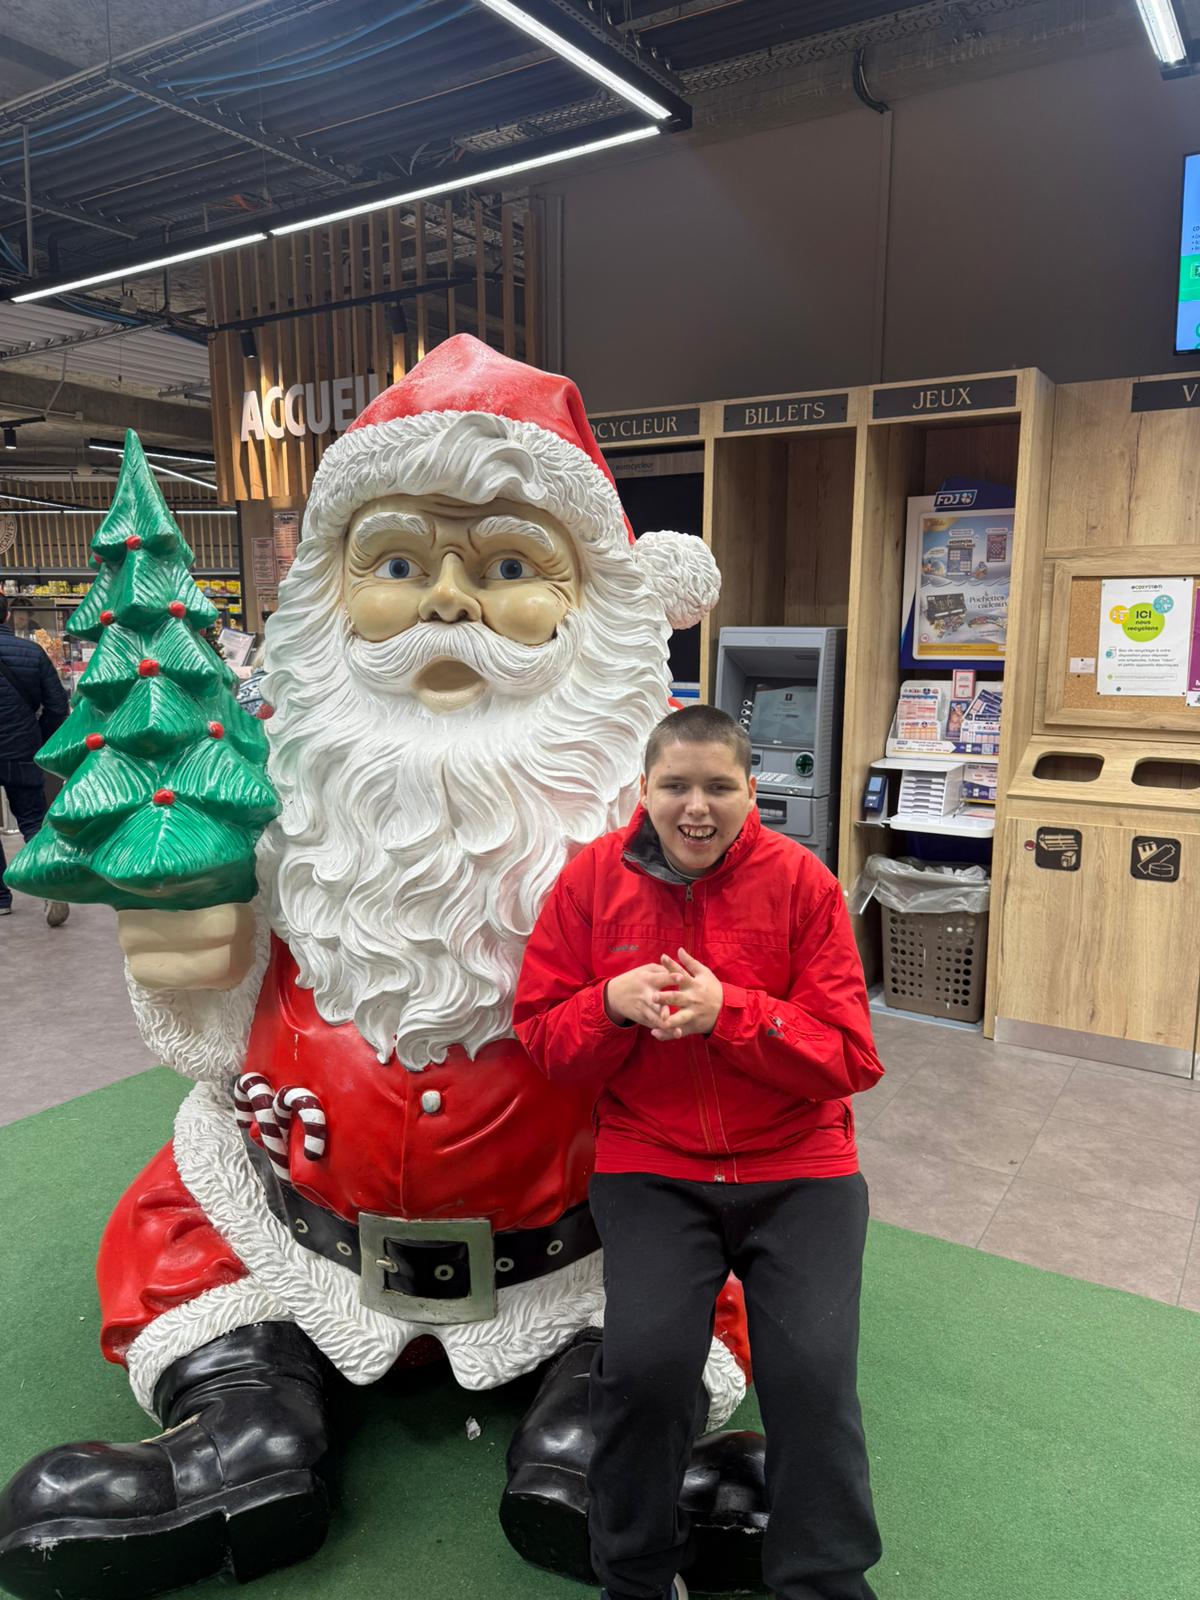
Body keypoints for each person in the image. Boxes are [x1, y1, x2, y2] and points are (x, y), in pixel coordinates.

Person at [0, 336, 768, 1600]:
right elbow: (208, 1037)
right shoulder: (285, 819)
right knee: (196, 1222)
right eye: (399, 564)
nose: (448, 605)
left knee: (678, 1262)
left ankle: (596, 1431)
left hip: (575, 1247)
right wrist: (186, 957)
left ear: (597, 608)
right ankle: (245, 1418)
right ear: (332, 598)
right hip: (296, 1223)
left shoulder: (674, 846)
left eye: (509, 566)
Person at [513, 703, 886, 1600]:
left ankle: (824, 1585)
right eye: (676, 785)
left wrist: (733, 1013)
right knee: (644, 1373)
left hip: (799, 1167)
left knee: (814, 1381)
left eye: (719, 786)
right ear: (643, 790)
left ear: (752, 791)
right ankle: (636, 1579)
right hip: (653, 1164)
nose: (696, 806)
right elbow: (543, 1039)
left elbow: (850, 1057)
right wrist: (609, 1004)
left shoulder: (803, 883)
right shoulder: (590, 883)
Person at [0, 594, 70, 924]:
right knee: (32, 821)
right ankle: (49, 885)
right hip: (22, 747)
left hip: (20, 743)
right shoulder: (32, 652)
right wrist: (41, 739)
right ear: (8, 615)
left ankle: (1, 898)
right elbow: (57, 705)